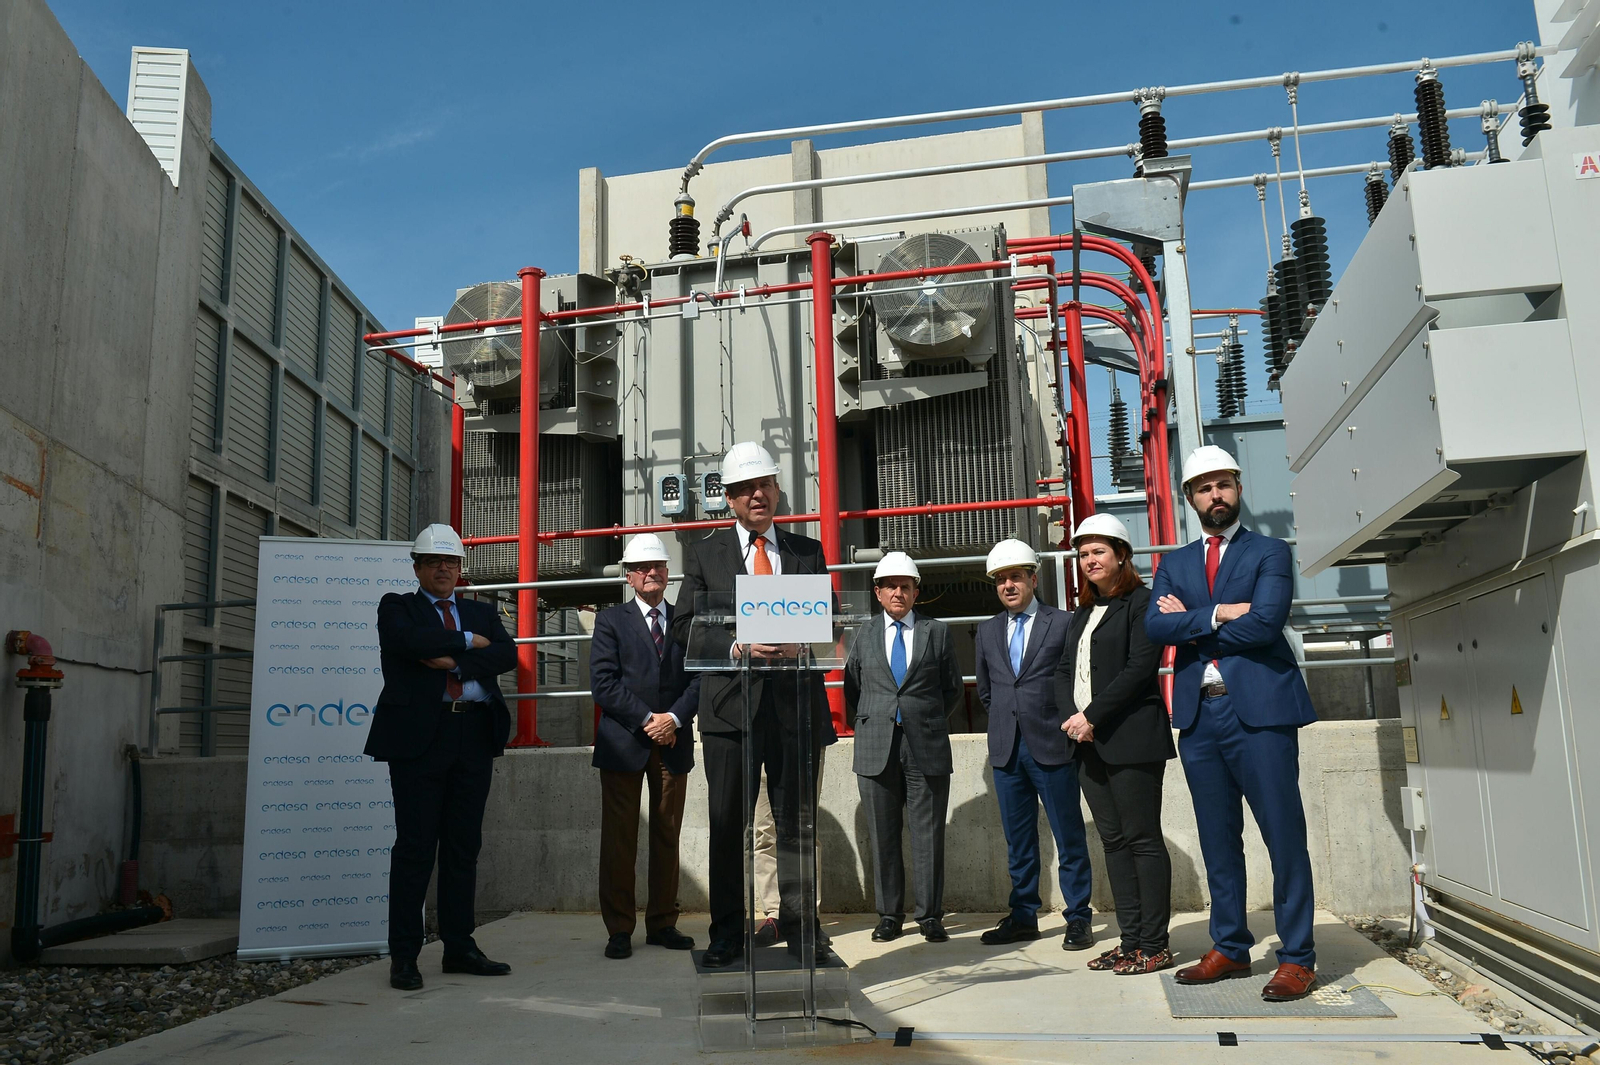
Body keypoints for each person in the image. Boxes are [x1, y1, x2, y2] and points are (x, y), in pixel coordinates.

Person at [1146, 445, 1320, 1002]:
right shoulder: (1174, 563)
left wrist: (1191, 624)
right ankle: (1230, 947)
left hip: (1262, 712)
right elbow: (1155, 627)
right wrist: (1223, 613)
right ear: (1189, 497)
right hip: (1201, 716)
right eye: (1203, 487)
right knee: (1218, 838)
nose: (1214, 495)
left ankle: (1297, 957)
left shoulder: (1269, 551)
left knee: (1282, 834)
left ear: (1238, 487)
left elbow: (1267, 624)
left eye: (1223, 484)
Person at [669, 442, 838, 969]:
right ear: (730, 499)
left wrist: (802, 645)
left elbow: (831, 626)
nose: (756, 495)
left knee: (797, 825)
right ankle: (725, 934)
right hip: (729, 713)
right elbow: (681, 628)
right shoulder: (705, 553)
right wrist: (737, 645)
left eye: (764, 485)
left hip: (795, 711)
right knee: (727, 825)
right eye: (744, 489)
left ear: (778, 491)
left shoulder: (807, 553)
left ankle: (801, 928)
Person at [367, 523, 517, 991]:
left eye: (450, 563)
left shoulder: (481, 611)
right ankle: (405, 955)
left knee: (462, 847)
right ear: (417, 567)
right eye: (434, 562)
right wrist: (468, 643)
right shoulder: (398, 607)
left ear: (460, 568)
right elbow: (407, 643)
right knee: (414, 848)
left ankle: (459, 946)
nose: (443, 570)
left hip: (473, 732)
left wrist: (452, 658)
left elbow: (507, 654)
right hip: (418, 741)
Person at [1051, 514, 1176, 975]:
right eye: (1083, 554)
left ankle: (1155, 944)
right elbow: (1064, 670)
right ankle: (1130, 941)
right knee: (1114, 842)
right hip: (1086, 743)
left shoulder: (1143, 604)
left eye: (1098, 551)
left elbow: (1141, 667)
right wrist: (1072, 719)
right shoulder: (1081, 613)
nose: (1089, 560)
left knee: (1142, 839)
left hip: (1131, 739)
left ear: (1122, 554)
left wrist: (1092, 717)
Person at [973, 538, 1095, 952]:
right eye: (1001, 580)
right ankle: (1023, 915)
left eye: (1015, 577)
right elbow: (987, 691)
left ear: (1032, 579)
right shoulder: (988, 630)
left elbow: (1077, 678)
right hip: (1007, 750)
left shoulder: (1061, 623)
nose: (1008, 585)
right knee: (1019, 839)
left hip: (1052, 745)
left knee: (1068, 835)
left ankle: (1078, 917)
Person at [589, 534, 701, 960]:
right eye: (642, 568)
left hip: (672, 742)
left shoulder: (683, 621)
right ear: (629, 576)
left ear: (667, 573)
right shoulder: (610, 621)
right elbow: (603, 682)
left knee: (667, 834)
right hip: (624, 743)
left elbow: (698, 677)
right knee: (619, 839)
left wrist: (672, 719)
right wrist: (647, 720)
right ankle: (619, 928)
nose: (650, 572)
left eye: (657, 565)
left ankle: (662, 923)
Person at [845, 552, 962, 944]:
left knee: (928, 833)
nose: (899, 592)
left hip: (924, 744)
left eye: (906, 586)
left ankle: (930, 916)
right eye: (891, 586)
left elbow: (951, 691)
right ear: (877, 592)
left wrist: (921, 719)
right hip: (876, 743)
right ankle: (889, 916)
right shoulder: (862, 634)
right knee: (883, 834)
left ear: (916, 592)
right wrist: (878, 718)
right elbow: (853, 688)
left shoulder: (938, 632)